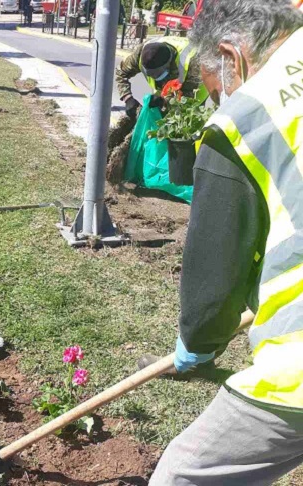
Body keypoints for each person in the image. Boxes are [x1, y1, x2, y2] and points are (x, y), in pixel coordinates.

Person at [143, 1, 303, 484]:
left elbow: (213, 277)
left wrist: (199, 339)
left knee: (182, 476)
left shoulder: (245, 119)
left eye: (217, 90)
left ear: (232, 56)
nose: (221, 102)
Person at [115, 37, 207, 118]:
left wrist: (163, 101)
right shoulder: (141, 53)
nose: (155, 78)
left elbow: (184, 101)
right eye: (151, 75)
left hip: (197, 89)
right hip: (168, 89)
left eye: (158, 74)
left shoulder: (192, 63)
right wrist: (127, 98)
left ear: (170, 64)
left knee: (187, 124)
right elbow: (121, 73)